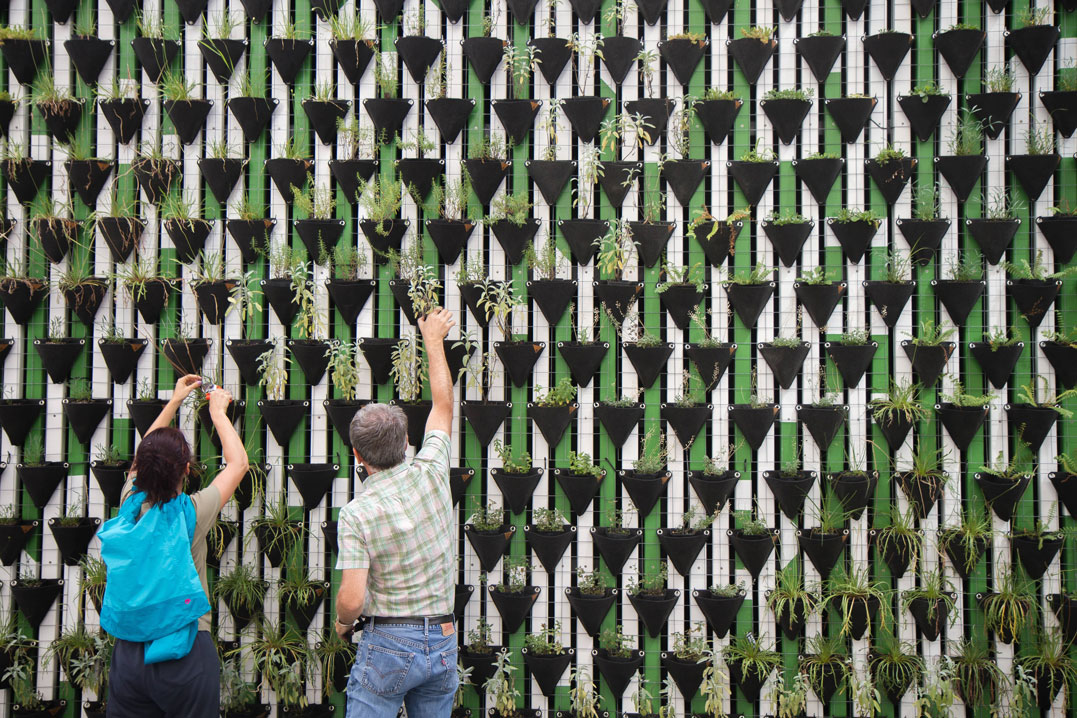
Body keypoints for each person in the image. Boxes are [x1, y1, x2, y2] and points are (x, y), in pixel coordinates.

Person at [334, 307, 458, 718]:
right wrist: (433, 341)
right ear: (407, 440)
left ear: (357, 454)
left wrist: (342, 624)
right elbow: (443, 403)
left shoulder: (356, 514)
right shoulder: (433, 470)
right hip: (442, 638)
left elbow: (352, 599)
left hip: (387, 642)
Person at [106, 375, 248, 718]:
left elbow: (143, 458)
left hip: (129, 651)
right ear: (186, 469)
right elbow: (238, 464)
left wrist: (173, 402)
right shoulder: (191, 515)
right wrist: (218, 413)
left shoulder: (129, 504)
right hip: (184, 648)